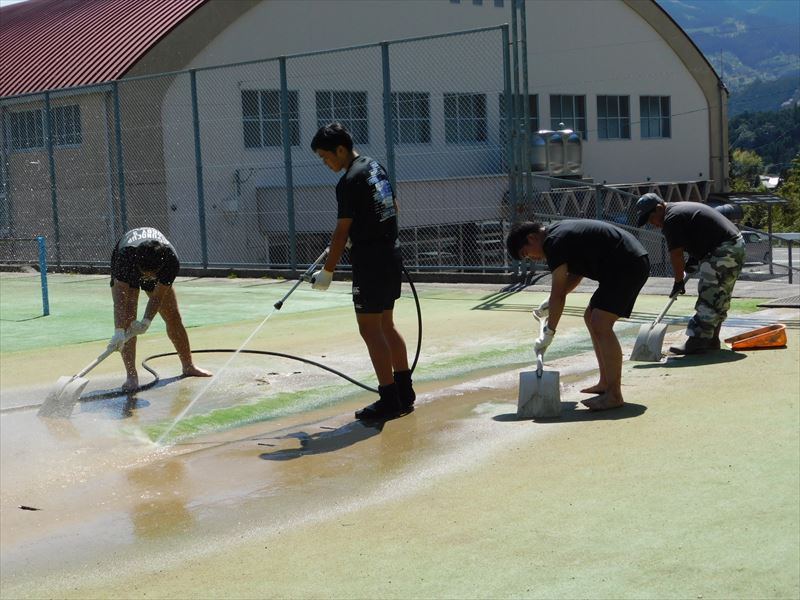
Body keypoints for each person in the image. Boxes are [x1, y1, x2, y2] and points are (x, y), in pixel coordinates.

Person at [309, 122, 416, 421]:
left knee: (370, 329)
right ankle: (405, 392)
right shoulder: (374, 167)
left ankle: (389, 399)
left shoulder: (348, 181)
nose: (325, 163)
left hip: (370, 261)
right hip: (390, 253)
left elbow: (341, 232)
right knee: (386, 325)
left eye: (325, 156)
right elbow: (391, 205)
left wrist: (327, 273)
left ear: (340, 150)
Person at [506, 219, 650, 411]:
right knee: (590, 317)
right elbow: (576, 274)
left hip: (627, 264)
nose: (532, 259)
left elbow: (557, 292)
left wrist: (549, 332)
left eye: (527, 254)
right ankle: (606, 383)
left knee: (600, 322)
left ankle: (614, 394)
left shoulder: (553, 242)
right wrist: (553, 302)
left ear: (531, 238)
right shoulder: (557, 236)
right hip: (622, 264)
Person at [635, 193, 745, 354]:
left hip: (724, 249)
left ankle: (697, 341)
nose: (652, 224)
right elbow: (699, 233)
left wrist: (678, 281)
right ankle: (711, 340)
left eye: (651, 219)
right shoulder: (677, 211)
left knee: (710, 294)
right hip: (732, 245)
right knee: (719, 295)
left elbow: (676, 254)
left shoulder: (671, 218)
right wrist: (694, 259)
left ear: (659, 208)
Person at [108, 227, 212, 390]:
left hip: (153, 266)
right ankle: (131, 376)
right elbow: (120, 300)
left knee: (173, 316)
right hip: (129, 266)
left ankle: (188, 366)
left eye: (151, 274)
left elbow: (157, 296)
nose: (147, 277)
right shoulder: (126, 257)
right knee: (128, 319)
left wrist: (147, 321)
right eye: (145, 273)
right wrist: (119, 332)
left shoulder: (170, 260)